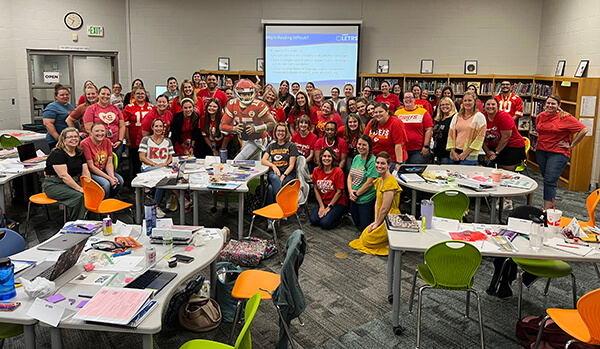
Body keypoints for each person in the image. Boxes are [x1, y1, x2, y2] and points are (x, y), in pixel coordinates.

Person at [536, 94, 587, 210]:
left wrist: (571, 145)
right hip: (541, 151)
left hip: (558, 153)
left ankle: (547, 209)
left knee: (550, 181)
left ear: (559, 105)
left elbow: (583, 130)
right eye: (548, 103)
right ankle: (549, 205)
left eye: (553, 103)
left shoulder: (566, 117)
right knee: (547, 179)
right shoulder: (540, 116)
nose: (550, 105)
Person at [349, 151, 402, 255]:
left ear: (389, 165)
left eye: (383, 163)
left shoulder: (390, 183)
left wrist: (377, 223)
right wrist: (375, 221)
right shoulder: (380, 180)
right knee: (364, 235)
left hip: (389, 218)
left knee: (367, 240)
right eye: (377, 163)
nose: (379, 166)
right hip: (381, 216)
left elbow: (385, 209)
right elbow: (378, 203)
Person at [482, 97, 526, 210]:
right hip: (494, 145)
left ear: (498, 106)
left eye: (493, 105)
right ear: (484, 106)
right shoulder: (483, 117)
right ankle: (497, 196)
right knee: (493, 173)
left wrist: (496, 153)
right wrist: (488, 152)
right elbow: (480, 136)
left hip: (512, 147)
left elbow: (506, 137)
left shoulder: (504, 117)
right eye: (488, 105)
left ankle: (508, 200)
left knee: (506, 174)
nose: (490, 107)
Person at [221, 79, 276, 160]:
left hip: (258, 140)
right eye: (243, 94)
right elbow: (223, 126)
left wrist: (255, 128)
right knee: (253, 166)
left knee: (237, 161)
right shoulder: (232, 104)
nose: (246, 97)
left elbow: (273, 123)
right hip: (245, 139)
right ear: (237, 93)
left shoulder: (258, 105)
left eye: (249, 94)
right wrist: (234, 129)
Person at [43, 128, 89, 220]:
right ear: (63, 140)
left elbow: (85, 171)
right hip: (54, 184)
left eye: (76, 136)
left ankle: (94, 221)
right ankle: (77, 224)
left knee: (91, 193)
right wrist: (79, 188)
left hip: (73, 180)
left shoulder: (79, 152)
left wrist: (88, 185)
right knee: (78, 196)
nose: (74, 139)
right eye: (70, 137)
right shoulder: (57, 154)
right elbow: (63, 176)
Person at [262, 123, 298, 230]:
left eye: (282, 131)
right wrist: (273, 165)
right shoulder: (271, 146)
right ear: (275, 132)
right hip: (275, 174)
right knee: (273, 177)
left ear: (286, 132)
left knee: (270, 188)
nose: (280, 133)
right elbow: (263, 160)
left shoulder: (291, 146)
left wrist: (284, 175)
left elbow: (291, 165)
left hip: (288, 175)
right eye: (278, 130)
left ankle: (271, 218)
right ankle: (282, 208)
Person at [139, 118, 174, 218]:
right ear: (152, 127)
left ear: (164, 129)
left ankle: (157, 205)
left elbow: (170, 157)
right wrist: (155, 165)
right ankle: (157, 205)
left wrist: (166, 164)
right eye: (156, 126)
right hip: (148, 168)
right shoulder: (146, 140)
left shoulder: (168, 141)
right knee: (163, 175)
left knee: (166, 176)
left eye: (161, 126)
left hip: (164, 169)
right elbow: (142, 157)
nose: (158, 128)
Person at [81, 122, 123, 199]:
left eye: (102, 131)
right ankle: (99, 204)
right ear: (91, 132)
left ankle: (107, 199)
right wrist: (109, 178)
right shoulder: (85, 143)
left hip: (103, 169)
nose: (100, 133)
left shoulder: (107, 142)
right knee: (105, 184)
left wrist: (112, 176)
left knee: (119, 181)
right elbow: (90, 166)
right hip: (90, 172)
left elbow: (109, 163)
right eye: (97, 131)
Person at [82, 86, 126, 158]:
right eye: (103, 94)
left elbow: (122, 126)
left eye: (108, 95)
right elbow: (89, 128)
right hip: (99, 143)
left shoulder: (115, 108)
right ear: (98, 95)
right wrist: (105, 142)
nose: (105, 96)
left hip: (116, 143)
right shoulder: (91, 109)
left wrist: (120, 140)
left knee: (116, 164)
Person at [310, 147, 347, 230]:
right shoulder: (316, 170)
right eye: (324, 156)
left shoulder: (338, 171)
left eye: (329, 156)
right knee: (314, 220)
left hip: (337, 202)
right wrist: (321, 206)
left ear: (333, 158)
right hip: (324, 200)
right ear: (321, 158)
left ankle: (342, 218)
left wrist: (329, 207)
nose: (326, 158)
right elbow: (315, 189)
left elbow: (339, 192)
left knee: (325, 224)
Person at [347, 135, 378, 231]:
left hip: (365, 198)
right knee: (357, 223)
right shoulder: (356, 158)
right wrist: (351, 191)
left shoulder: (373, 161)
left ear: (369, 146)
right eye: (359, 144)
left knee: (365, 227)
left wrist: (357, 194)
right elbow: (350, 176)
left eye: (364, 145)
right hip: (354, 197)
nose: (361, 147)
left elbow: (370, 182)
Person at [447, 91, 487, 165]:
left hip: (470, 154)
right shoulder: (456, 116)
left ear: (474, 102)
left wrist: (465, 153)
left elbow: (479, 138)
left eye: (469, 100)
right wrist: (453, 151)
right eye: (465, 100)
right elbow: (451, 135)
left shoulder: (479, 117)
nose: (467, 103)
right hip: (455, 153)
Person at [395, 92, 433, 164]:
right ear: (403, 100)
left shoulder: (423, 112)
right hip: (401, 149)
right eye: (406, 98)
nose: (408, 99)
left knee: (413, 170)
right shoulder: (397, 113)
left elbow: (429, 130)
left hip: (418, 150)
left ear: (414, 99)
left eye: (410, 97)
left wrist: (426, 146)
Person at [365, 103, 407, 168]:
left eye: (380, 112)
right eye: (376, 112)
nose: (378, 114)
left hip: (391, 161)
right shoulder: (372, 122)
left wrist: (399, 164)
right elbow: (365, 140)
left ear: (387, 112)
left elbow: (398, 145)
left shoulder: (396, 123)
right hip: (374, 159)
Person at [123, 85, 154, 174]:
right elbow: (126, 125)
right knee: (136, 162)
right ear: (133, 95)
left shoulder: (151, 107)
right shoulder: (128, 107)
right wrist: (128, 139)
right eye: (138, 94)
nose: (140, 95)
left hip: (149, 139)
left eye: (142, 94)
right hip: (134, 139)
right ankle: (137, 184)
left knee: (149, 161)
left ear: (145, 95)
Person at [44, 84, 75, 149]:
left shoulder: (70, 106)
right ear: (56, 96)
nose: (65, 96)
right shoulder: (52, 107)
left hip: (70, 140)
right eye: (62, 95)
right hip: (57, 141)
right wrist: (58, 138)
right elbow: (48, 123)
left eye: (67, 94)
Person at [431, 97, 457, 164]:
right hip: (437, 151)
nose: (444, 106)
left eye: (447, 104)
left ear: (451, 105)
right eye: (442, 105)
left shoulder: (454, 118)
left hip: (447, 153)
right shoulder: (438, 119)